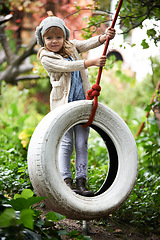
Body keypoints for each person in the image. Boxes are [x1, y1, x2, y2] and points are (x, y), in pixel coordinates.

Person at [35, 16, 115, 196]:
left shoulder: (70, 46)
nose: (54, 41)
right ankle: (66, 181)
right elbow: (65, 66)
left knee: (81, 143)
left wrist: (103, 38)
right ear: (43, 40)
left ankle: (81, 182)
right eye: (49, 38)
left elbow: (85, 44)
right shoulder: (46, 56)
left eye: (58, 37)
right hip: (64, 106)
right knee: (66, 143)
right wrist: (90, 63)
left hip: (82, 102)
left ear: (64, 37)